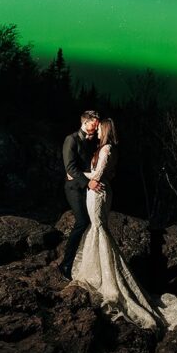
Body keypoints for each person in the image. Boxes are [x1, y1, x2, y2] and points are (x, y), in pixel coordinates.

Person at [69, 118, 177, 332]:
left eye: (98, 129)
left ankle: (106, 279)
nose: (94, 132)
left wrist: (76, 174)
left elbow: (97, 175)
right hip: (102, 192)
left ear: (104, 131)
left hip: (97, 194)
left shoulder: (106, 149)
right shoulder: (108, 148)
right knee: (99, 229)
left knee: (98, 229)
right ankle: (101, 273)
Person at [58, 110, 102, 279]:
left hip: (87, 187)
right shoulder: (71, 139)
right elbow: (69, 167)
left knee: (92, 222)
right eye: (94, 123)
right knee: (82, 222)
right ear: (85, 122)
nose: (97, 126)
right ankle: (66, 264)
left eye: (97, 123)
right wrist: (87, 182)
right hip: (74, 187)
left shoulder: (94, 141)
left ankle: (85, 263)